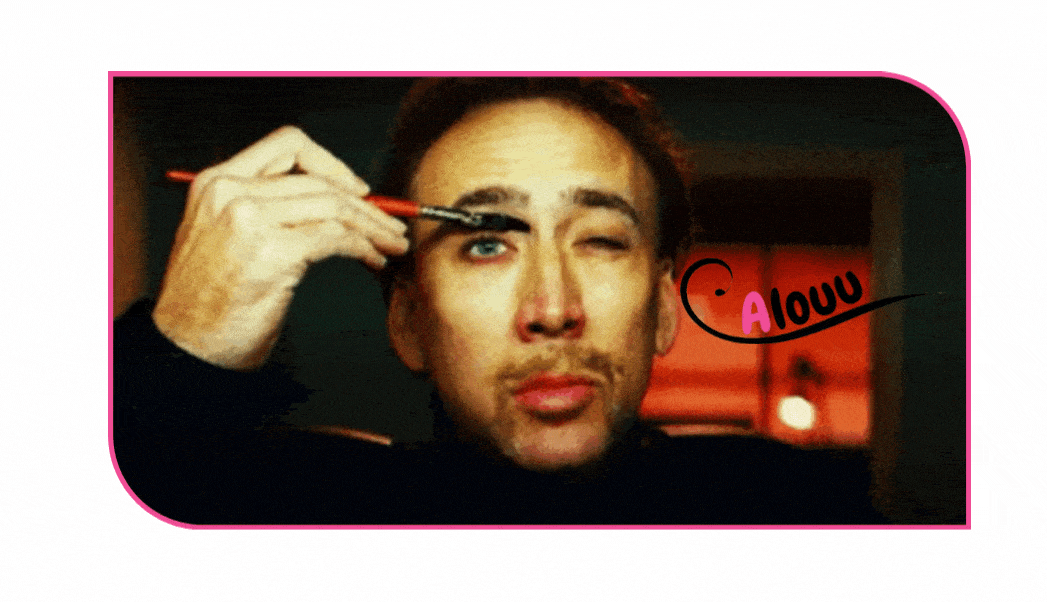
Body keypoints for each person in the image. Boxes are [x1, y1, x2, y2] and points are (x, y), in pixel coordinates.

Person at [114, 77, 882, 525]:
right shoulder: (295, 508)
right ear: (407, 321)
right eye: (486, 243)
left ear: (665, 309)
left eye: (600, 240)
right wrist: (184, 346)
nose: (552, 307)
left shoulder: (785, 507)